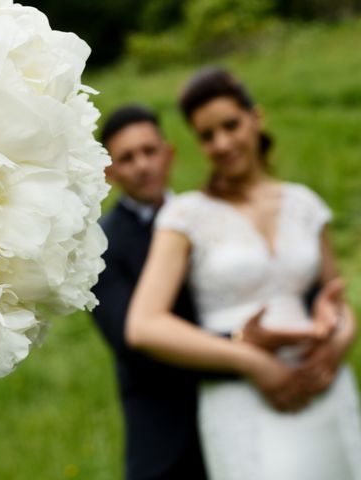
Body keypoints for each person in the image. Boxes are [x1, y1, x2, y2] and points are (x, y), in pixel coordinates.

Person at [125, 67, 361, 479]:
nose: (222, 143)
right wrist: (251, 362)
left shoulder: (305, 204)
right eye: (207, 135)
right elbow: (145, 326)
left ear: (257, 118)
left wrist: (337, 339)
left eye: (231, 125)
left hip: (324, 386)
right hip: (242, 397)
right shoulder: (184, 216)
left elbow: (335, 298)